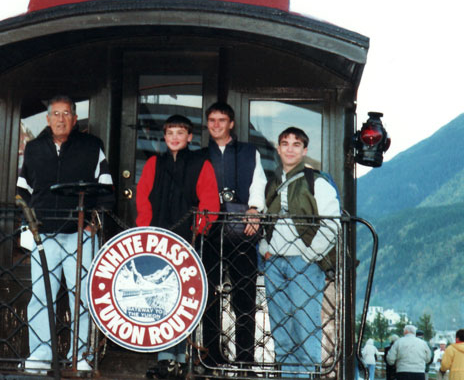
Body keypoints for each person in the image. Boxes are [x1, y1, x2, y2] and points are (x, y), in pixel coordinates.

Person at [17, 95, 114, 373]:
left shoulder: (92, 146)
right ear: (48, 119)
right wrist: (29, 221)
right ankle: (40, 352)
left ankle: (80, 355)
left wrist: (93, 221)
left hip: (79, 234)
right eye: (55, 114)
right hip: (43, 235)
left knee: (81, 295)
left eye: (66, 113)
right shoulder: (34, 149)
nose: (60, 119)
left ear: (74, 119)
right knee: (40, 294)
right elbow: (22, 190)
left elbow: (106, 188)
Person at [136, 114, 220, 379]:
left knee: (182, 298)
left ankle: (181, 356)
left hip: (187, 238)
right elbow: (143, 198)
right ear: (164, 136)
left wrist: (199, 229)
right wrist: (145, 232)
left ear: (190, 137)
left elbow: (209, 199)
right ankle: (165, 356)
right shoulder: (153, 163)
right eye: (170, 132)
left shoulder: (200, 162)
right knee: (159, 296)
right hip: (157, 239)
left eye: (180, 132)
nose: (174, 137)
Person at [260, 127, 341, 375]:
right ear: (278, 148)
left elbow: (332, 223)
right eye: (285, 143)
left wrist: (310, 255)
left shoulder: (317, 182)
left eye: (296, 144)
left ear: (305, 150)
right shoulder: (272, 183)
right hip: (275, 263)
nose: (290, 148)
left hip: (304, 264)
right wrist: (266, 249)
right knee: (281, 329)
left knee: (305, 328)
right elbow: (265, 221)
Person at [200, 102, 267, 367]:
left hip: (242, 228)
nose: (216, 125)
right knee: (209, 294)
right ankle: (211, 356)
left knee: (245, 295)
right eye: (212, 120)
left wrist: (254, 210)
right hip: (209, 230)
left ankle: (245, 359)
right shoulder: (199, 155)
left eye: (222, 120)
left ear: (231, 123)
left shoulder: (250, 152)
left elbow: (258, 182)